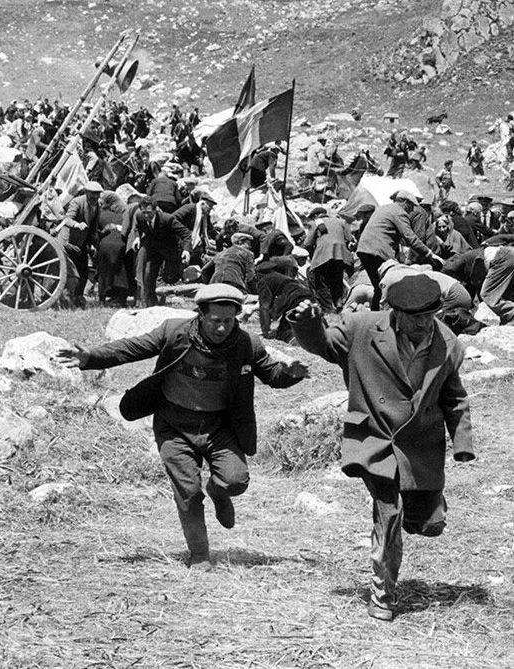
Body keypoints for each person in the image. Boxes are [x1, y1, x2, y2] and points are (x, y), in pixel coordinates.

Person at [56, 284, 309, 569]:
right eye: (215, 321)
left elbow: (271, 374)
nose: (222, 328)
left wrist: (290, 374)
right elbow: (132, 348)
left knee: (236, 481)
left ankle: (219, 491)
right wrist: (91, 357)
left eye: (229, 321)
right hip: (173, 425)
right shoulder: (174, 332)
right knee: (188, 493)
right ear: (200, 315)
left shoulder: (246, 344)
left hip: (219, 427)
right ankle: (199, 554)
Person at [288, 274, 474, 621]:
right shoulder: (361, 327)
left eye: (429, 315)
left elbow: (454, 396)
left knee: (427, 523)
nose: (422, 324)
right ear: (393, 311)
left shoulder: (448, 343)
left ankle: (427, 505)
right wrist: (308, 321)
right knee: (389, 514)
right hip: (376, 439)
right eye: (415, 317)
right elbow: (325, 345)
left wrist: (462, 441)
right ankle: (383, 594)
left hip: (420, 445)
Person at [356, 191, 444, 310]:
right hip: (379, 251)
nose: (412, 210)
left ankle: (375, 314)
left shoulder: (385, 208)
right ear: (404, 202)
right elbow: (410, 237)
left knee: (379, 287)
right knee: (392, 284)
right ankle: (390, 314)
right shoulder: (400, 212)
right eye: (411, 206)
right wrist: (430, 254)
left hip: (364, 250)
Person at [135, 196, 192, 306]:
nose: (146, 216)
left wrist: (186, 250)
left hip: (171, 249)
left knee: (170, 277)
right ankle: (151, 303)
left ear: (155, 209)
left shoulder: (167, 219)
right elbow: (138, 228)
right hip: (154, 250)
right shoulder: (139, 217)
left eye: (149, 212)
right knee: (148, 274)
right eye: (144, 212)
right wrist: (137, 237)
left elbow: (186, 234)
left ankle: (172, 294)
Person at [58, 181, 104, 308]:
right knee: (69, 272)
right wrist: (77, 225)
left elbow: (93, 227)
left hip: (82, 243)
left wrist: (93, 243)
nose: (95, 197)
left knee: (83, 272)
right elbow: (67, 219)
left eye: (98, 194)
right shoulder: (77, 202)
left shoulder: (98, 205)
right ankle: (63, 298)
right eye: (93, 194)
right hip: (68, 242)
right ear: (86, 193)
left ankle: (78, 297)